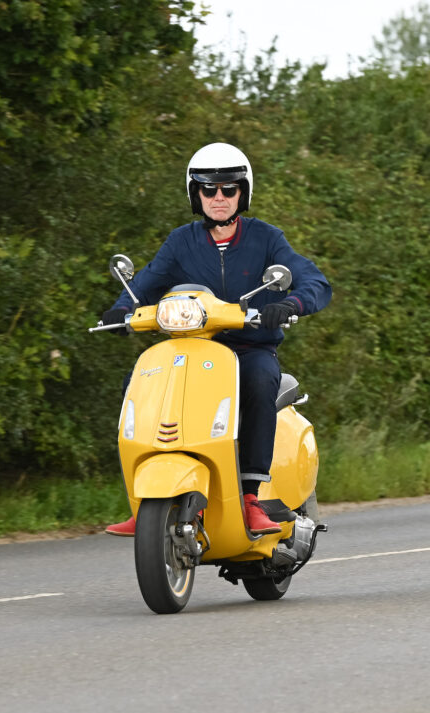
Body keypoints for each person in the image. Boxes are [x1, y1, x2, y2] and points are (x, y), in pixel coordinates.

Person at [101, 142, 332, 536]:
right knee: (138, 383)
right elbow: (144, 285)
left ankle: (250, 496)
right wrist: (122, 309)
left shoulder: (266, 239)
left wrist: (291, 302)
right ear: (196, 194)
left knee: (260, 380)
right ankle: (146, 501)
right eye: (209, 189)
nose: (219, 197)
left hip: (248, 347)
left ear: (243, 192)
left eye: (229, 188)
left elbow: (315, 281)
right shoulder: (181, 242)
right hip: (190, 347)